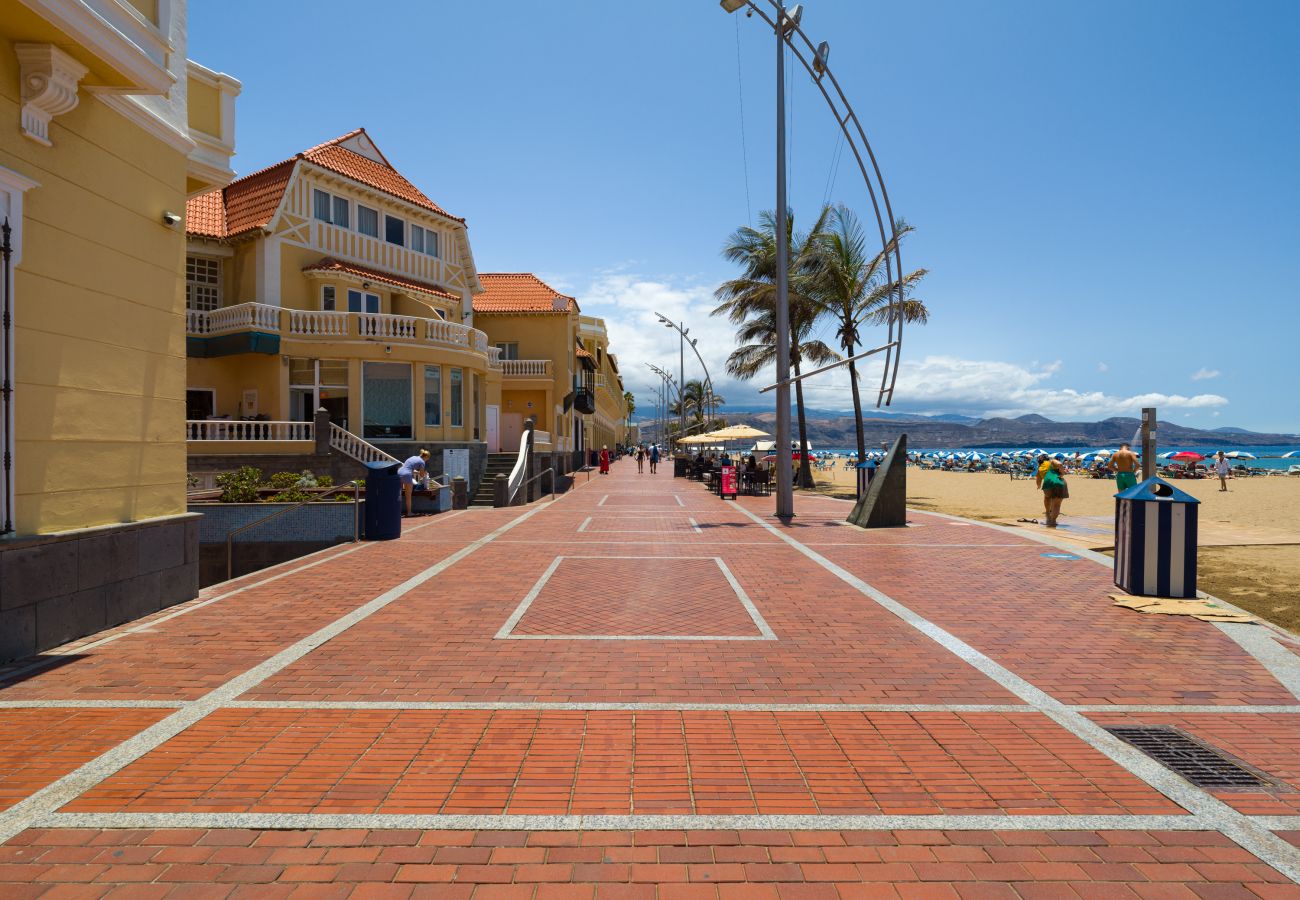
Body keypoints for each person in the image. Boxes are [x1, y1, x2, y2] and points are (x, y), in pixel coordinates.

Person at [398, 449, 430, 517]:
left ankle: (397, 512)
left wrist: (418, 472)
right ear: (426, 457)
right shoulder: (422, 462)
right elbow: (421, 475)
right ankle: (409, 512)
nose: (426, 460)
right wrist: (424, 473)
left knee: (398, 494)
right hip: (407, 475)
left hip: (399, 472)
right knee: (408, 495)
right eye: (427, 459)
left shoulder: (413, 457)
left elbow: (408, 468)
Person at [1038, 457, 1069, 527]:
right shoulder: (1052, 461)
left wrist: (1038, 485)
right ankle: (1053, 521)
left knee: (1047, 497)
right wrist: (1062, 473)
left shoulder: (1041, 468)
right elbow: (1060, 464)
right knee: (1057, 504)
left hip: (1047, 483)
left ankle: (1048, 514)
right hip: (1059, 482)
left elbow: (1038, 479)